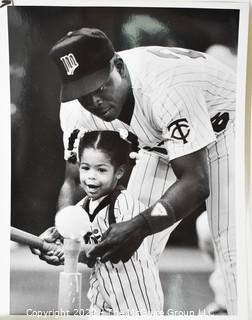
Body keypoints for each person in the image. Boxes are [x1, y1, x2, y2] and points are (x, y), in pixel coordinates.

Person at [35, 27, 236, 314]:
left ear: (118, 66)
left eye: (100, 86)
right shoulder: (75, 110)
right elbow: (75, 180)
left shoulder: (166, 86)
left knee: (233, 247)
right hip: (160, 142)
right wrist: (66, 232)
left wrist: (141, 225)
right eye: (83, 93)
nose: (94, 102)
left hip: (231, 126)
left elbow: (195, 181)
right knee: (124, 251)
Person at [53, 129, 164, 315]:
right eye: (85, 168)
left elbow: (110, 249)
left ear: (119, 172)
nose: (91, 176)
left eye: (101, 169)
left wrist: (71, 251)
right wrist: (52, 243)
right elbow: (70, 238)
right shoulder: (84, 206)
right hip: (102, 297)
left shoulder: (124, 203)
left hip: (136, 302)